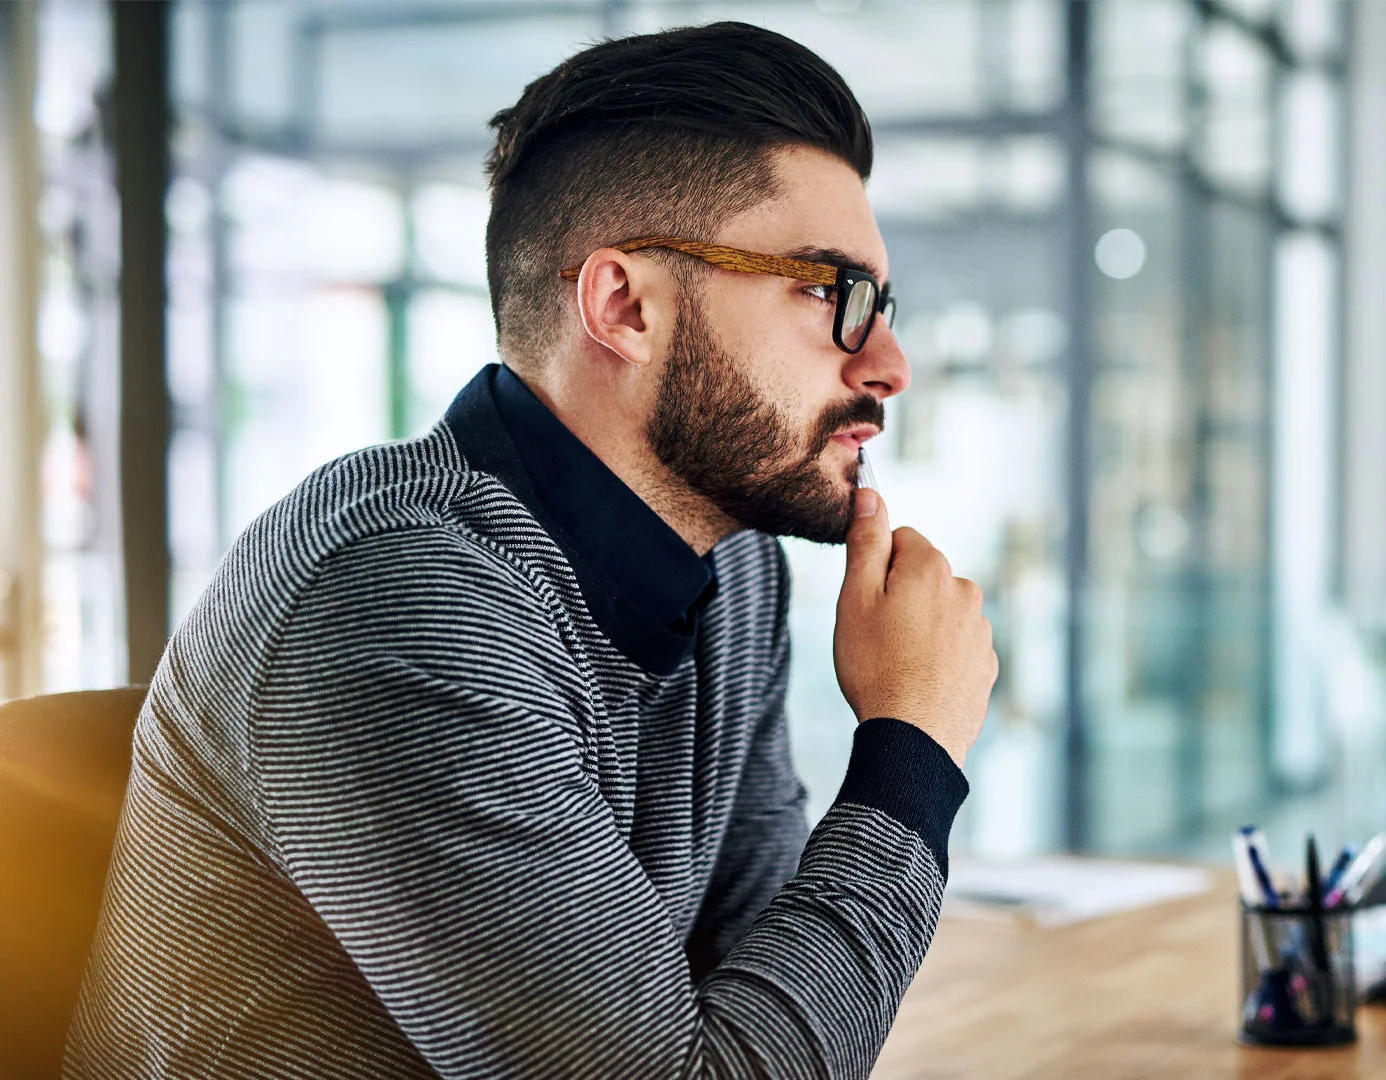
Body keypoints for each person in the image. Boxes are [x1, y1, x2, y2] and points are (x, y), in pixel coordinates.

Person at [65, 22, 997, 1080]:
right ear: (623, 305)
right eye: (833, 294)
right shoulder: (396, 596)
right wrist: (912, 750)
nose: (890, 362)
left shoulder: (734, 572)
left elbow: (768, 1013)